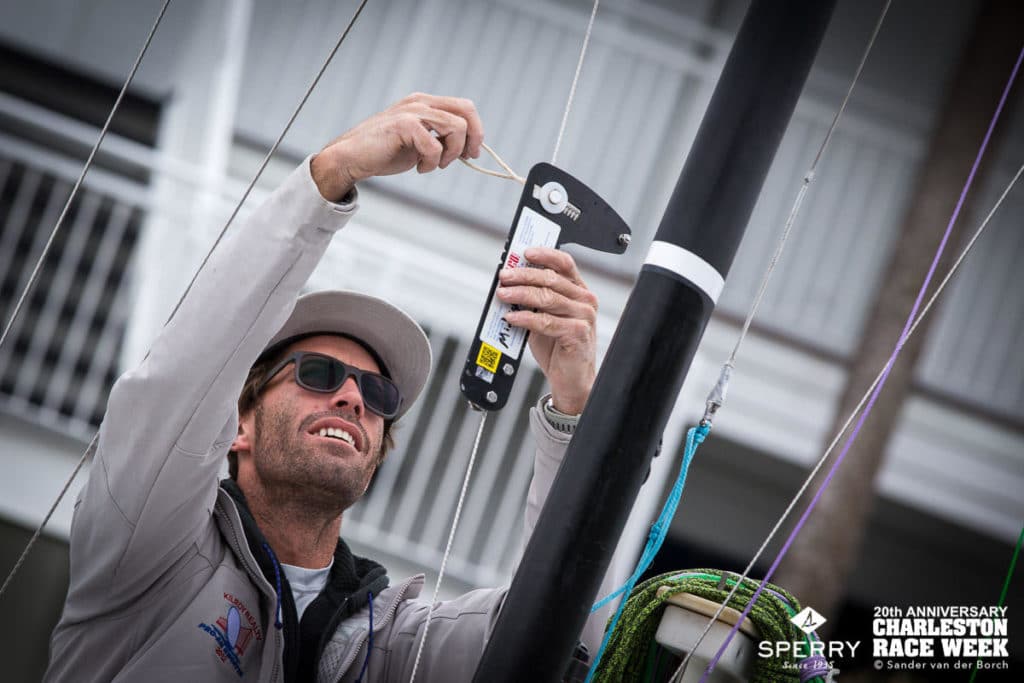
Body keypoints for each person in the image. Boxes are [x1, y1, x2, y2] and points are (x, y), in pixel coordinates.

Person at [45, 93, 616, 682]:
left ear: (377, 454)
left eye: (378, 394)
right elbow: (183, 377)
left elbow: (564, 638)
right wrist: (330, 175)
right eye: (317, 373)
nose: (352, 397)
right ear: (237, 425)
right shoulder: (148, 542)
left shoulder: (398, 648)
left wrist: (576, 411)